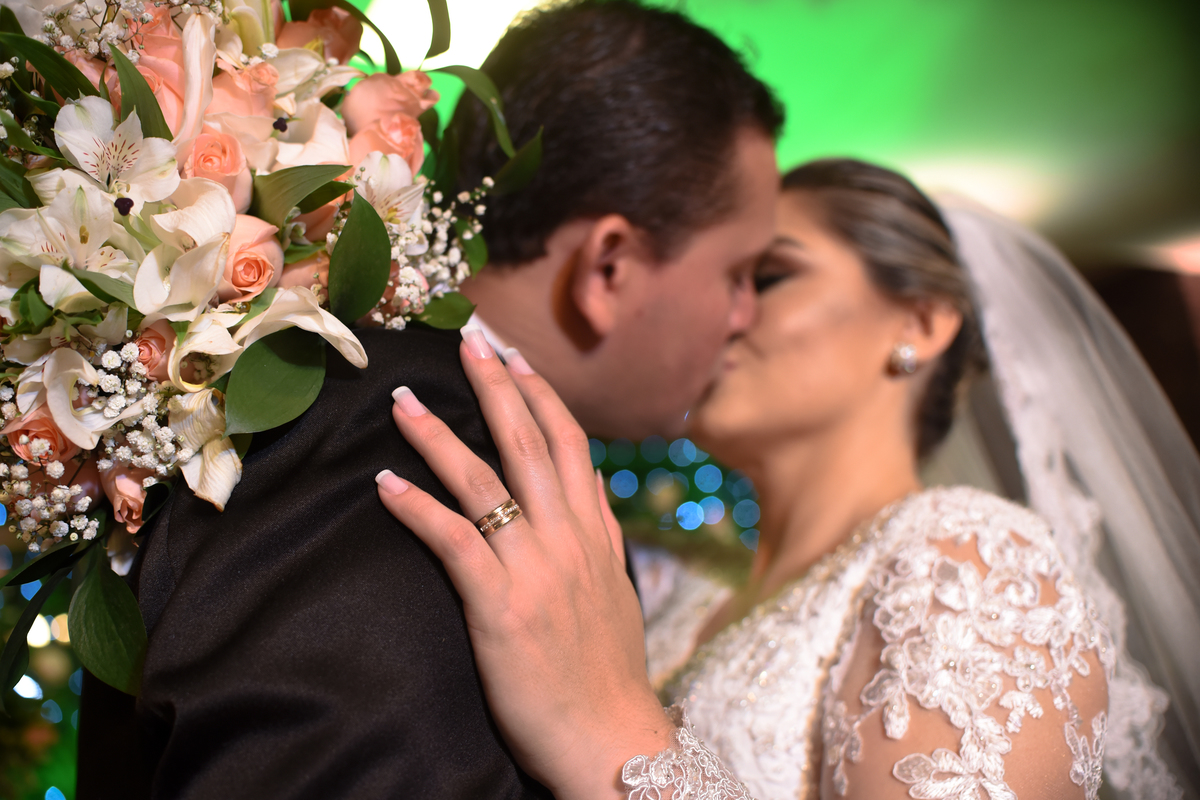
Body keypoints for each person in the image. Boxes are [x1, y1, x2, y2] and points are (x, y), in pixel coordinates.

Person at [76, 2, 783, 797]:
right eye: (739, 272)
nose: (747, 316)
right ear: (609, 267)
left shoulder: (363, 401)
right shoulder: (394, 445)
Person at [373, 159, 1200, 799]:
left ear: (919, 321)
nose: (727, 316)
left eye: (767, 278)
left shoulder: (972, 561)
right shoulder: (688, 599)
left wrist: (612, 739)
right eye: (725, 281)